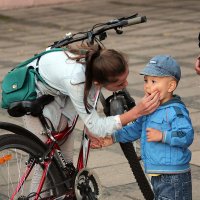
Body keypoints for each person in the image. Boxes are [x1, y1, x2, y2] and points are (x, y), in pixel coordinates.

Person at [23, 44, 160, 193]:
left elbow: (90, 99)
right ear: (98, 82)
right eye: (120, 83)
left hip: (57, 92)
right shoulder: (77, 81)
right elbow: (97, 127)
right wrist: (136, 112)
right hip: (33, 94)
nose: (126, 84)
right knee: (45, 163)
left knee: (65, 164)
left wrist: (89, 125)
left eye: (125, 79)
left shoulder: (96, 63)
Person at [96, 55, 194, 200]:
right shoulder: (150, 109)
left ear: (171, 86)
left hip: (173, 177)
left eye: (154, 81)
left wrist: (162, 136)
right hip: (157, 175)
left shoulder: (175, 110)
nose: (148, 86)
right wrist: (113, 137)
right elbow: (136, 128)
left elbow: (186, 135)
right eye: (146, 81)